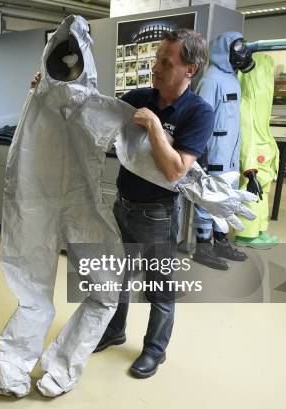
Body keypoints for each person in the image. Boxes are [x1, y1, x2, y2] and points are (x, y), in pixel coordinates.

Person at [94, 29, 214, 379]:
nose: (155, 66)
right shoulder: (138, 96)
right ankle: (115, 330)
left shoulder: (198, 113)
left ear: (189, 70)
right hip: (123, 206)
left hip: (157, 215)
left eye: (166, 61)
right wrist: (51, 86)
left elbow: (176, 170)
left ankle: (154, 350)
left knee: (159, 287)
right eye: (156, 58)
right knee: (117, 277)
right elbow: (94, 109)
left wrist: (155, 128)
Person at [193, 32, 255, 270]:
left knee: (226, 200)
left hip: (231, 155)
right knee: (209, 201)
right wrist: (202, 155)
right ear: (224, 49)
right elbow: (202, 119)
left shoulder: (232, 78)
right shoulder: (211, 80)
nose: (242, 52)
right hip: (215, 154)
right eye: (237, 46)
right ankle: (203, 248)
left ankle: (220, 242)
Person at [235, 53, 280, 249]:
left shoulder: (260, 103)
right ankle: (247, 235)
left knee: (262, 196)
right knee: (252, 195)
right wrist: (250, 168)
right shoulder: (246, 102)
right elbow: (247, 138)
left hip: (265, 154)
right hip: (256, 157)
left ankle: (259, 230)